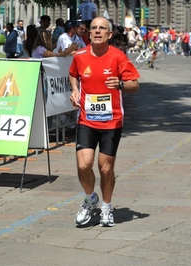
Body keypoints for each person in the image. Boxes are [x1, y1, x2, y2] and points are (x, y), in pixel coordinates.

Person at [69, 17, 140, 227]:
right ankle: (90, 198)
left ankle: (107, 207)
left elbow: (134, 85)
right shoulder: (80, 56)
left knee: (105, 168)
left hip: (111, 121)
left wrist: (119, 84)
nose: (97, 31)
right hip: (86, 119)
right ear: (88, 33)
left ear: (110, 35)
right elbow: (72, 74)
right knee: (84, 165)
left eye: (102, 28)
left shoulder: (118, 57)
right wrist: (74, 90)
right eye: (94, 28)